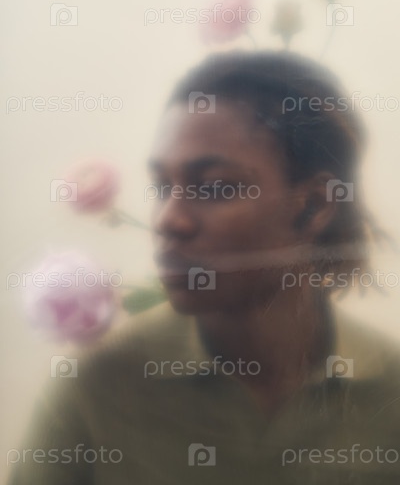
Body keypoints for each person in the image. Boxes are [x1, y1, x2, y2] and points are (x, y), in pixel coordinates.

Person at [8, 51, 400, 484]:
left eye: (214, 187)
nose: (168, 221)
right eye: (163, 187)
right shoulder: (102, 383)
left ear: (314, 205)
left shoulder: (390, 388)